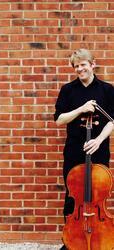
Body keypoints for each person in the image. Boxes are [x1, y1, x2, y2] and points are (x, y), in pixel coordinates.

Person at [54, 49, 114, 250]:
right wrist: (80, 109)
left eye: (83, 64)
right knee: (73, 198)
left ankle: (98, 238)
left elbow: (112, 122)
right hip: (74, 151)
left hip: (98, 150)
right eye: (76, 66)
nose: (80, 69)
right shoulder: (68, 90)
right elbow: (59, 119)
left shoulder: (107, 90)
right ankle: (71, 241)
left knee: (97, 196)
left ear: (92, 64)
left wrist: (98, 140)